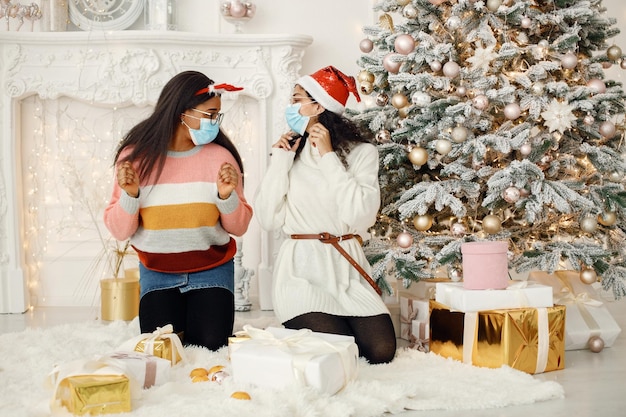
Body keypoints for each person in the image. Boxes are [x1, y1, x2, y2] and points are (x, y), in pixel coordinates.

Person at [253, 66, 396, 364]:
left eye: (297, 99)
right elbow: (267, 219)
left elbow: (360, 216)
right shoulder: (290, 153)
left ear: (318, 105)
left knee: (381, 351)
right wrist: (280, 160)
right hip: (300, 270)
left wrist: (329, 156)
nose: (291, 108)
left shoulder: (362, 153)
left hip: (346, 267)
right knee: (334, 351)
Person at [103, 71, 253, 351]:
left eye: (217, 116)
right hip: (158, 274)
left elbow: (239, 227)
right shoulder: (134, 159)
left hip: (212, 271)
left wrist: (226, 196)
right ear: (182, 112)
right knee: (162, 352)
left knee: (210, 348)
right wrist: (131, 195)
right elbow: (120, 231)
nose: (215, 123)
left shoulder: (221, 158)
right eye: (210, 114)